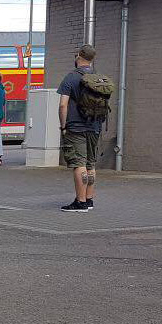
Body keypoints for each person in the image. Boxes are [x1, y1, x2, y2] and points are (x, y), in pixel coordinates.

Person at [58, 45, 104, 212]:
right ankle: (89, 200)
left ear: (78, 56)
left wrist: (63, 126)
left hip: (76, 127)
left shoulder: (71, 77)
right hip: (95, 126)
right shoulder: (98, 78)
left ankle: (80, 201)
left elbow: (63, 105)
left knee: (79, 164)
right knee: (90, 164)